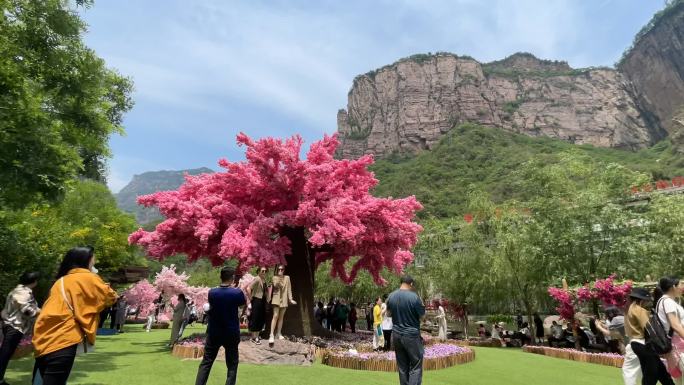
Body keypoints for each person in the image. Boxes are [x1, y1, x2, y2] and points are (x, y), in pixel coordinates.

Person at [32, 246, 118, 385]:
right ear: (86, 260)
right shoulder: (88, 278)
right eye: (93, 258)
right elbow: (111, 297)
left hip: (43, 336)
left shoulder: (60, 281)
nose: (94, 260)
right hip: (64, 336)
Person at [195, 267, 246, 385]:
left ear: (221, 277)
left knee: (206, 362)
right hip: (231, 332)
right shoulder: (237, 292)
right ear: (232, 278)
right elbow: (243, 304)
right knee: (232, 365)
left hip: (214, 332)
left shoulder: (212, 292)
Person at [0, 271, 41, 385]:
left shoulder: (16, 290)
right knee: (4, 355)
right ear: (34, 282)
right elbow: (27, 311)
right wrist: (41, 312)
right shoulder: (24, 293)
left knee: (5, 354)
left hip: (9, 325)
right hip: (15, 327)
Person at [386, 275, 425, 385]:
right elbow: (423, 317)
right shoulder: (414, 297)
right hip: (411, 335)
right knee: (416, 365)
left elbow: (388, 314)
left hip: (397, 335)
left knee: (402, 367)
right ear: (411, 284)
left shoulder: (391, 296)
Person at [655, 277, 684, 384]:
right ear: (673, 286)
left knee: (677, 380)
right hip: (678, 345)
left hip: (673, 344)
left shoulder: (662, 301)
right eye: (681, 284)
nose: (683, 287)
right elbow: (675, 325)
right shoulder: (668, 302)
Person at [623, 287, 649, 385]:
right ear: (641, 300)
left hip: (635, 343)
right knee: (643, 372)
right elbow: (647, 328)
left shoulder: (628, 310)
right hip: (642, 342)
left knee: (629, 372)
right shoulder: (639, 310)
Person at [268, 265, 296, 344]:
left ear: (284, 270)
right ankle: (271, 334)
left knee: (281, 317)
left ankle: (279, 333)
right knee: (275, 316)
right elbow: (276, 285)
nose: (280, 270)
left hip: (284, 300)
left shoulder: (287, 278)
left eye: (282, 269)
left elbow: (289, 289)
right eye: (279, 269)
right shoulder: (274, 277)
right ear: (277, 270)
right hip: (276, 299)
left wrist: (290, 299)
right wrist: (279, 277)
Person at [248, 267, 267, 344]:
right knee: (255, 318)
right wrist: (251, 298)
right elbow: (249, 288)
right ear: (259, 271)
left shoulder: (263, 280)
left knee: (261, 318)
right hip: (256, 300)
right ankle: (253, 337)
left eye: (265, 271)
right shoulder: (257, 279)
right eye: (262, 271)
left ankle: (257, 336)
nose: (264, 272)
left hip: (262, 300)